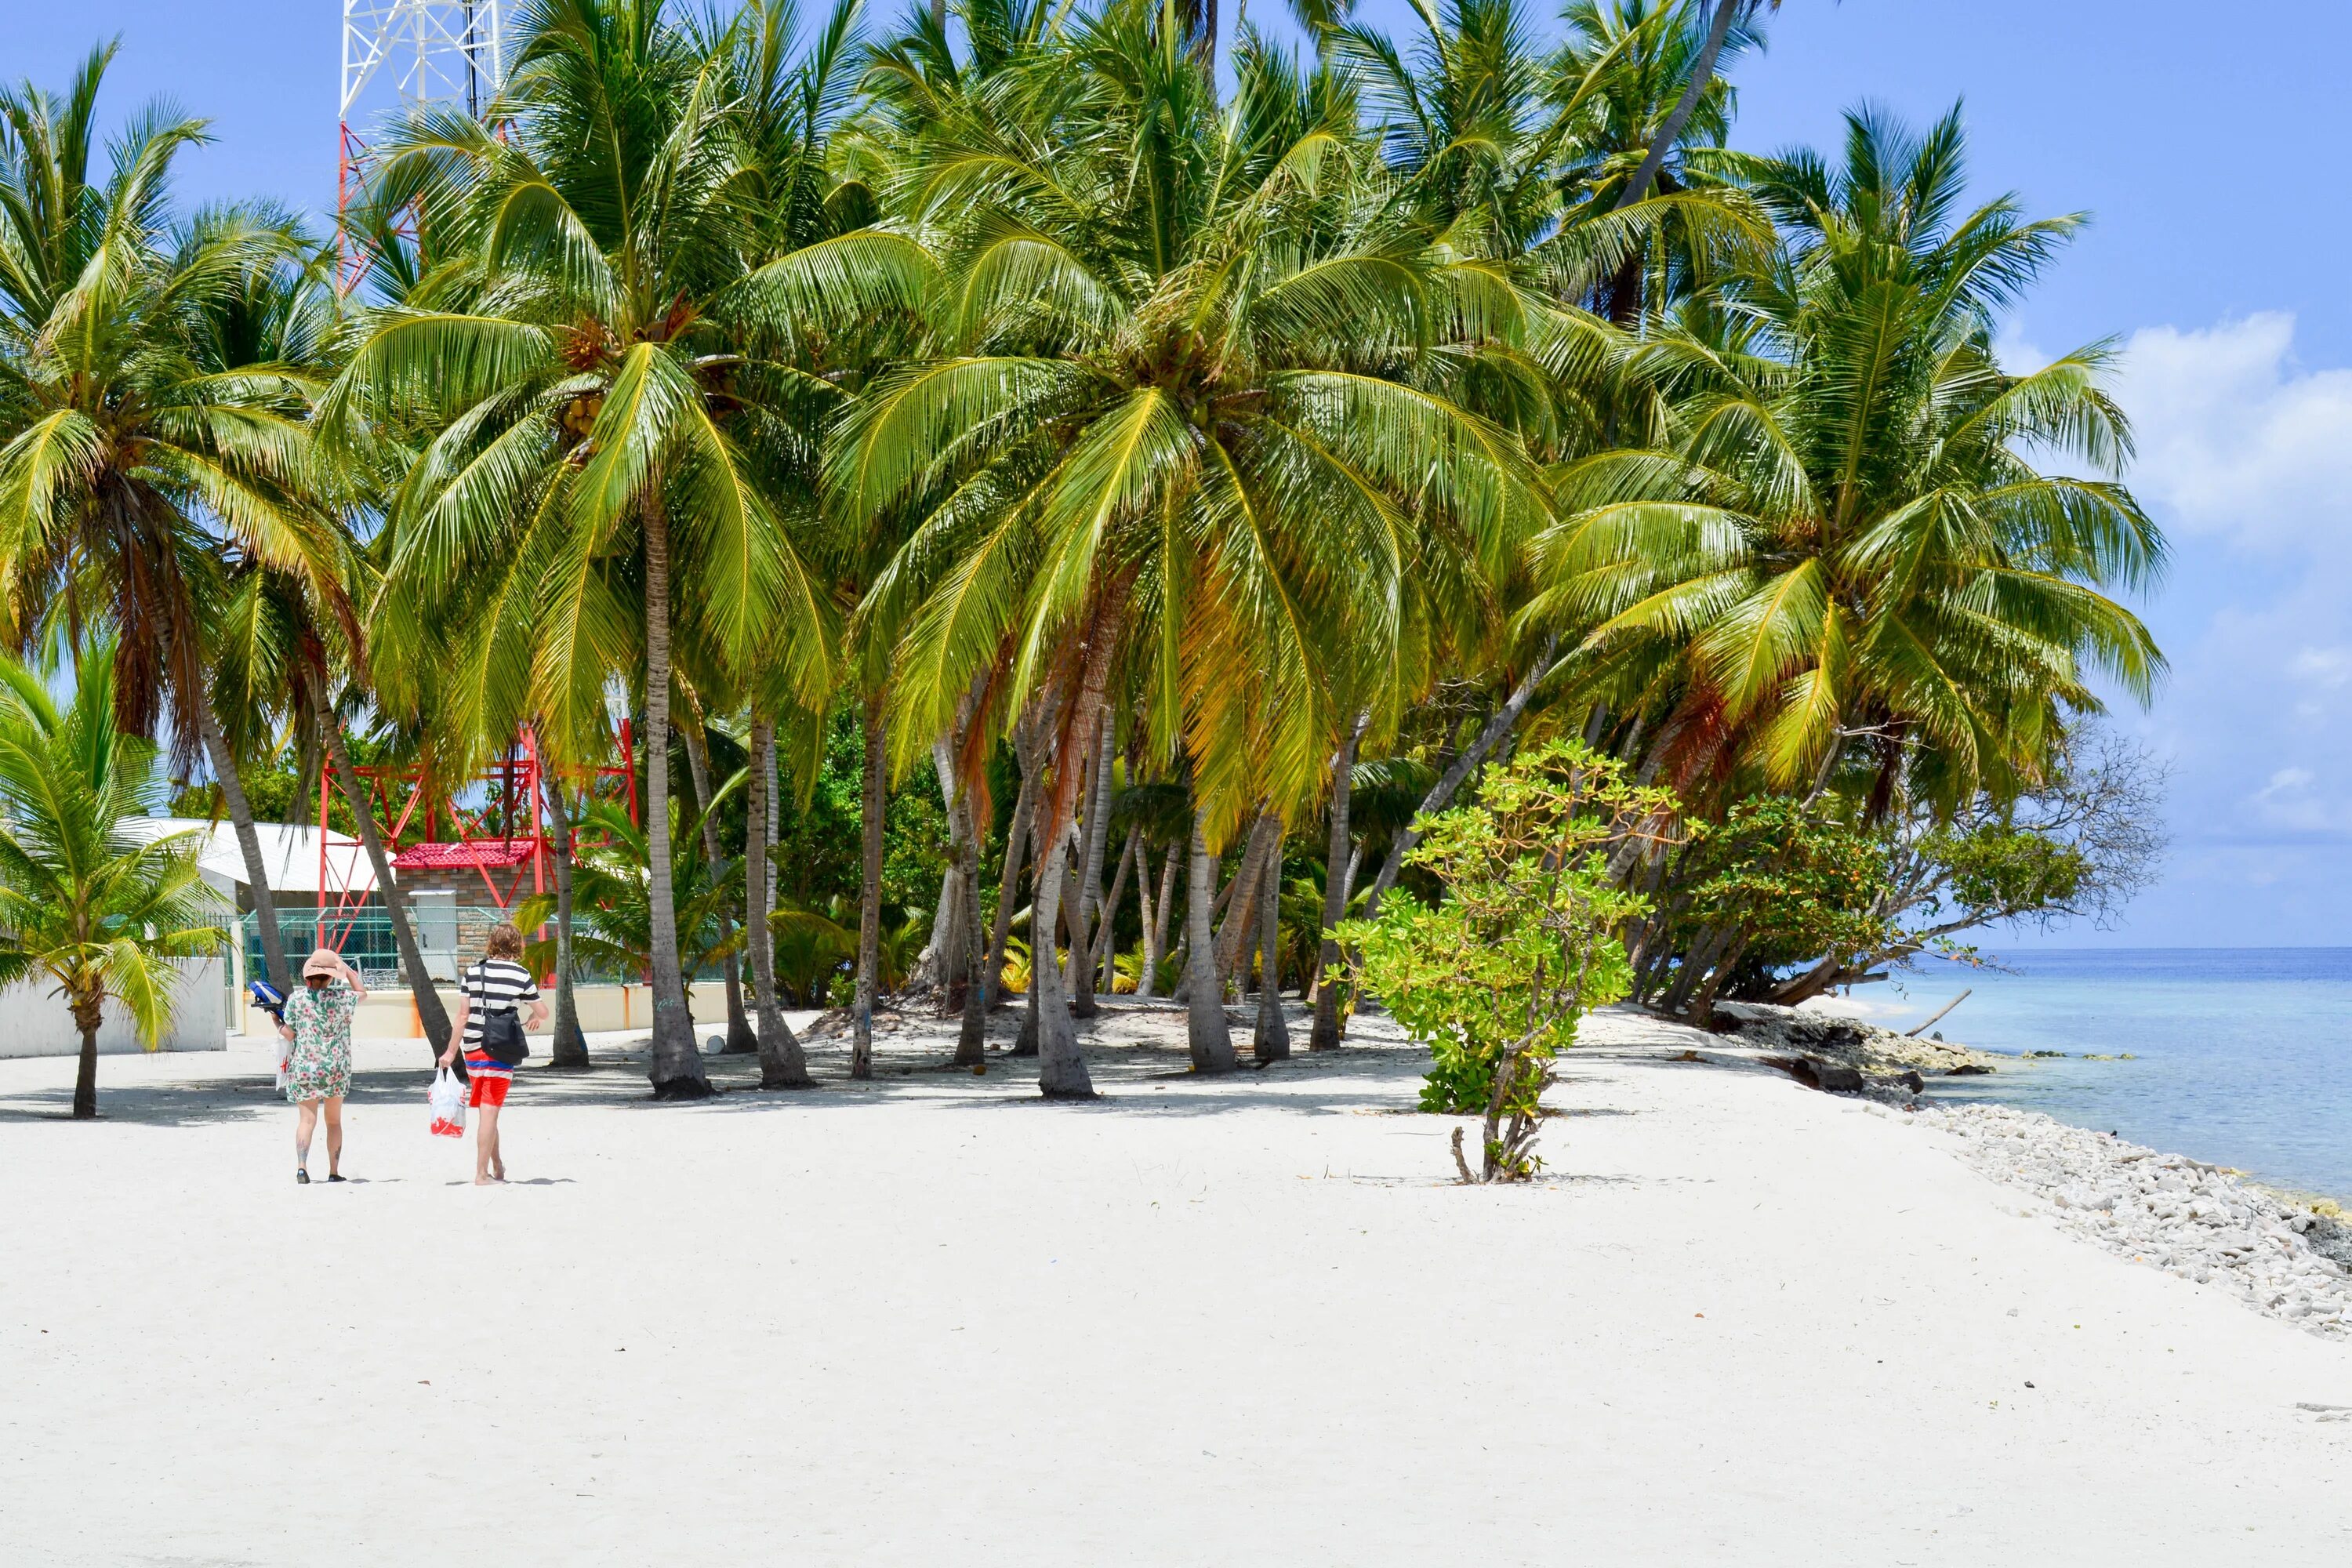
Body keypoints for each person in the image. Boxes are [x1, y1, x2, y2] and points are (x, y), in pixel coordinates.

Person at [438, 922, 546, 1185]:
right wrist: (533, 1014)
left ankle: (497, 1166)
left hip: (473, 1049)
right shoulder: (521, 975)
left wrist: (450, 1052)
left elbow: (462, 1016)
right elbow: (543, 1012)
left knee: (488, 1111)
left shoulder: (473, 972)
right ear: (517, 945)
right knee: (490, 1111)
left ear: (492, 944)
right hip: (500, 1049)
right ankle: (480, 1174)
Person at [281, 947, 368, 1185]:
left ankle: (301, 1167)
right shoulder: (341, 998)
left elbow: (289, 1034)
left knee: (306, 1121)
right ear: (331, 977)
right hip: (335, 1068)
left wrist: (276, 1023)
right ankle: (334, 1171)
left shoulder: (296, 999)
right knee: (334, 1121)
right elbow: (362, 992)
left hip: (304, 1067)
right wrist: (347, 971)